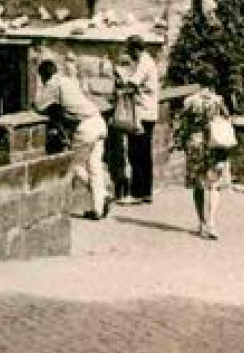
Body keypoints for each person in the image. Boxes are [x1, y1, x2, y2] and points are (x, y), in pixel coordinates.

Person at [34, 58, 109, 219]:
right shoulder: (67, 80)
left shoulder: (53, 84)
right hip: (98, 121)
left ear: (43, 76)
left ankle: (102, 196)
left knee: (74, 165)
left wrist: (43, 93)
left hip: (85, 127)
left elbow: (38, 105)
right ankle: (98, 207)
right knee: (95, 167)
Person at [175, 84, 232, 240]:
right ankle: (212, 222)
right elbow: (227, 120)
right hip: (215, 144)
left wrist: (183, 144)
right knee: (214, 185)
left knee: (199, 185)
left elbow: (182, 126)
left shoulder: (189, 101)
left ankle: (202, 222)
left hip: (196, 145)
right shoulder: (218, 101)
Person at [113, 36, 160, 205]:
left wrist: (120, 84)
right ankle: (146, 192)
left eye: (129, 50)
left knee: (136, 153)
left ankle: (137, 193)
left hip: (142, 114)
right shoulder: (147, 61)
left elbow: (132, 85)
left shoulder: (144, 63)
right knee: (144, 154)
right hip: (148, 113)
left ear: (135, 49)